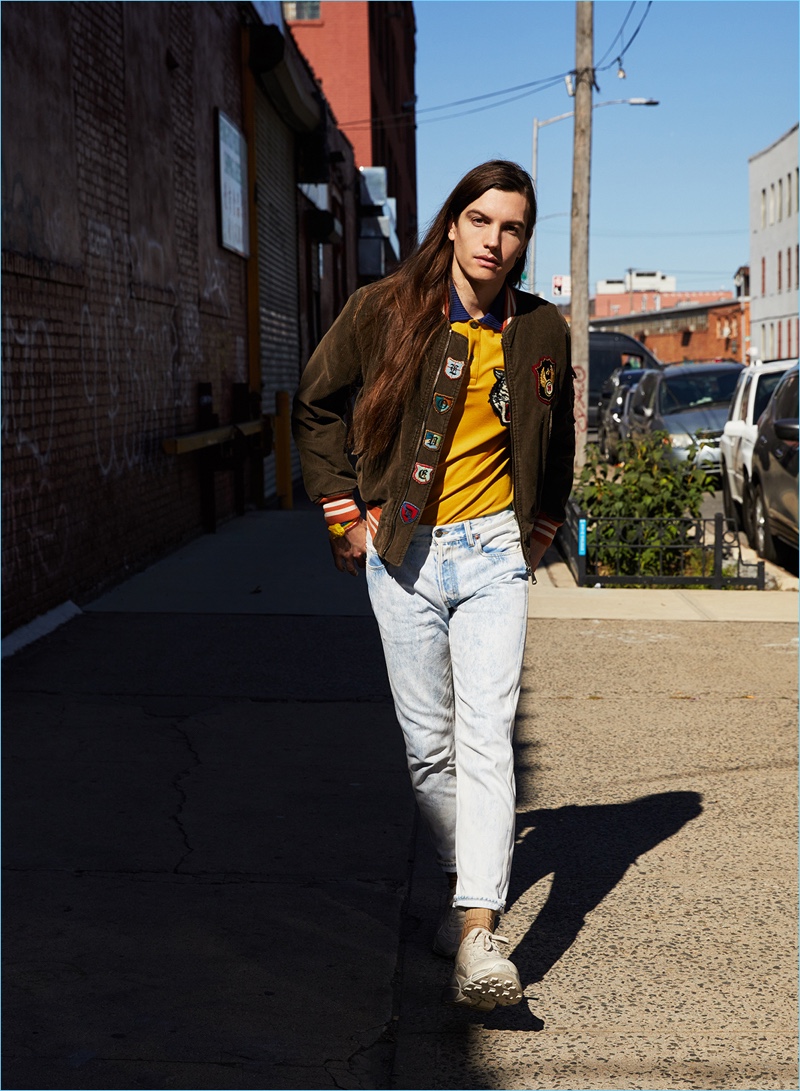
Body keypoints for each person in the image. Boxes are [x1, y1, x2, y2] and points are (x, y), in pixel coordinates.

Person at [292, 160, 575, 1011]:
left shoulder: (541, 330)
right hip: (404, 553)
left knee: (488, 735)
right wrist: (347, 515)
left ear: (526, 239)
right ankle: (468, 886)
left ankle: (479, 934)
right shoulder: (380, 311)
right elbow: (315, 403)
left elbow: (556, 440)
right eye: (482, 220)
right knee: (430, 750)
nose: (496, 240)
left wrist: (540, 529)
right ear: (453, 223)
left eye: (514, 227)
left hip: (492, 554)